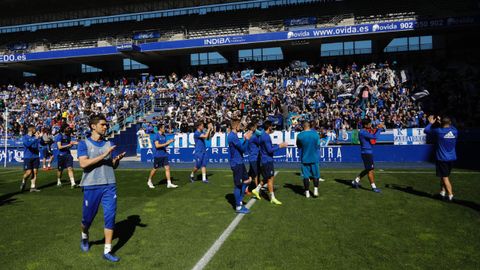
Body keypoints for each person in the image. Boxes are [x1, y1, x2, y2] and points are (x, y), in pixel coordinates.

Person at [77, 114, 126, 262]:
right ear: (93, 126)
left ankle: (107, 250)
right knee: (87, 220)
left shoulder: (108, 143)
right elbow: (83, 164)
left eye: (106, 125)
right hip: (91, 186)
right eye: (103, 124)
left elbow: (111, 165)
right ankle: (84, 237)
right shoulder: (83, 144)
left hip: (109, 185)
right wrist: (104, 155)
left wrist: (116, 160)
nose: (106, 127)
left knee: (110, 217)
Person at [253, 120, 287, 205]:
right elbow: (269, 150)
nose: (273, 128)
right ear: (269, 127)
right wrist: (280, 146)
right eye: (272, 126)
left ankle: (257, 189)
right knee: (270, 179)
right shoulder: (266, 137)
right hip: (267, 160)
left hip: (264, 160)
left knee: (268, 177)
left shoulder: (262, 135)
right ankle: (272, 198)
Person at [424, 115, 457, 201]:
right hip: (452, 158)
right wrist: (440, 122)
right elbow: (449, 125)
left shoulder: (439, 131)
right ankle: (442, 193)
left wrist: (431, 123)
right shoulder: (455, 131)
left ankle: (450, 196)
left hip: (442, 158)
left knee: (445, 177)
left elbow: (426, 130)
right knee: (443, 176)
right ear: (449, 123)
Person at [227, 119, 253, 213]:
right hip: (236, 163)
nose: (241, 127)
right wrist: (246, 140)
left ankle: (240, 201)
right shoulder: (232, 137)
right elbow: (243, 149)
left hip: (239, 162)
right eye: (240, 125)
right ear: (236, 126)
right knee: (238, 185)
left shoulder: (233, 135)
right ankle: (238, 206)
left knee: (247, 180)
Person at [352, 119, 384, 193]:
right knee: (370, 170)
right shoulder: (363, 132)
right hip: (366, 153)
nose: (370, 125)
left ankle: (356, 181)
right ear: (365, 125)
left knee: (368, 169)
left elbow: (373, 133)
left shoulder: (364, 131)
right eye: (369, 124)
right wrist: (379, 128)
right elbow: (374, 137)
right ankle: (373, 187)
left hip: (367, 153)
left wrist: (378, 128)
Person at [147, 124, 177, 189]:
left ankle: (169, 183)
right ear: (160, 128)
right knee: (155, 169)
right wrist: (166, 143)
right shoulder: (156, 136)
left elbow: (164, 145)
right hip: (158, 155)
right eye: (163, 128)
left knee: (167, 168)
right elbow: (157, 146)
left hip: (164, 154)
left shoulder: (164, 136)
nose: (165, 129)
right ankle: (149, 181)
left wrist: (169, 142)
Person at [296, 121, 321, 198]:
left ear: (303, 126)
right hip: (314, 158)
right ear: (309, 126)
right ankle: (315, 190)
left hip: (305, 158)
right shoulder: (316, 134)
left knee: (306, 176)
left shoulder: (300, 135)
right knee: (316, 175)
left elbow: (299, 146)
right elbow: (318, 145)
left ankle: (307, 193)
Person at [20, 125, 42, 192]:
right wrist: (36, 138)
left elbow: (41, 144)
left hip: (36, 156)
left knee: (35, 172)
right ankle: (24, 180)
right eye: (34, 129)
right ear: (31, 129)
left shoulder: (36, 137)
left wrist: (41, 138)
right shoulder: (25, 137)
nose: (36, 130)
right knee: (29, 172)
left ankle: (32, 187)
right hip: (28, 157)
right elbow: (27, 144)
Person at [246, 121, 262, 200]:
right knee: (256, 174)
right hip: (254, 157)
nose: (256, 128)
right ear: (252, 128)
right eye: (255, 127)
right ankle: (257, 190)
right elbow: (260, 142)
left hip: (252, 157)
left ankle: (245, 188)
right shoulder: (253, 137)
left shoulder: (247, 136)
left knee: (251, 174)